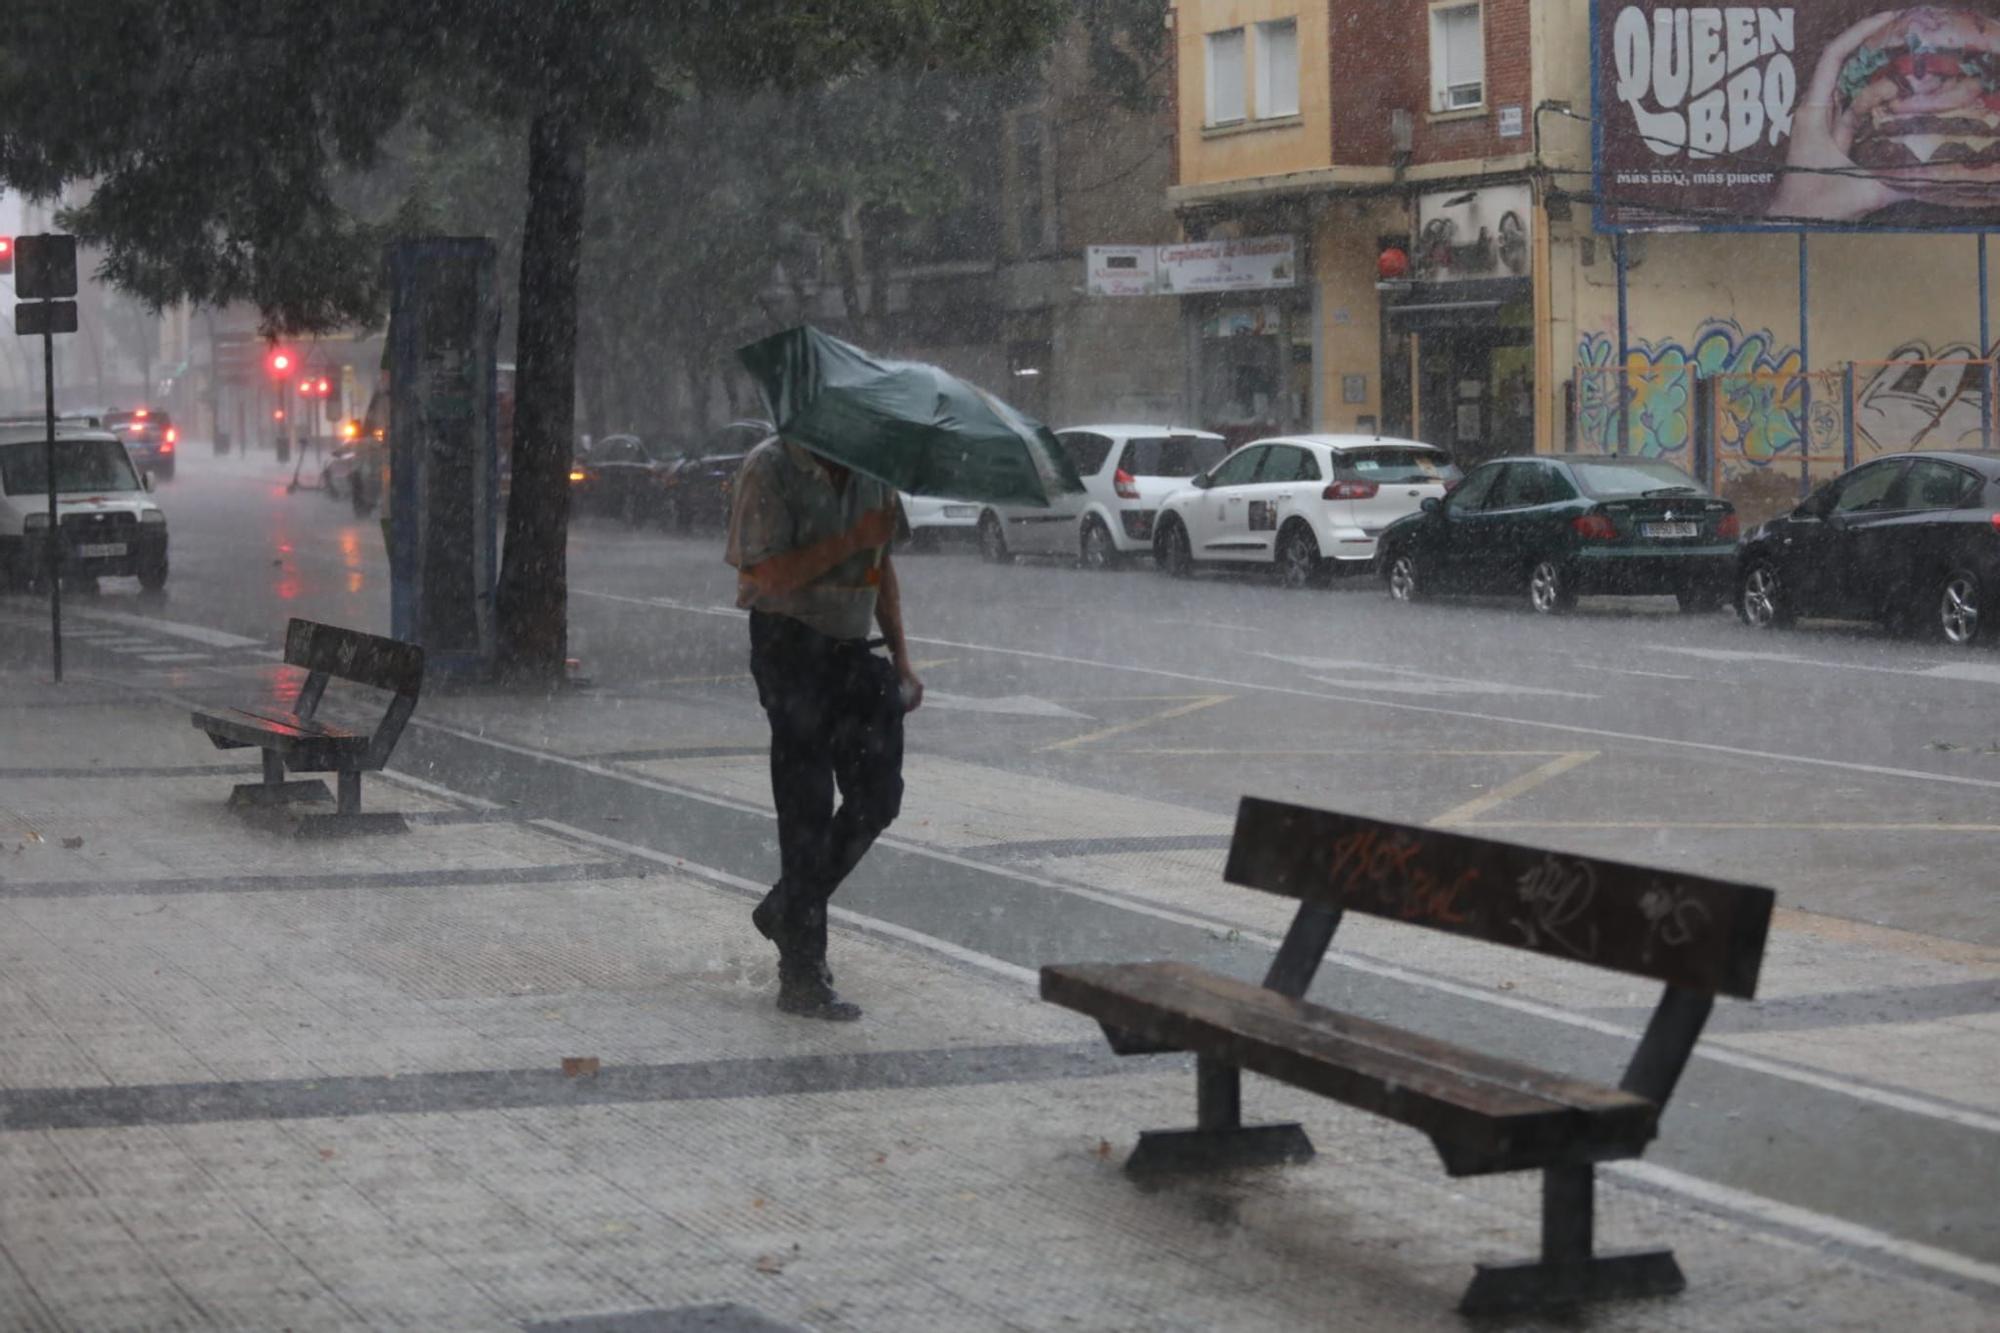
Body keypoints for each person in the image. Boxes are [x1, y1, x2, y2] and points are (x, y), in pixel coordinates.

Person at [724, 435, 924, 1020]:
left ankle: (788, 906)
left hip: (854, 651)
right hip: (790, 649)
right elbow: (765, 574)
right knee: (806, 808)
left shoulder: (873, 467)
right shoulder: (771, 468)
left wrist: (904, 659)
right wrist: (849, 540)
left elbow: (880, 566)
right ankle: (802, 974)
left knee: (879, 797)